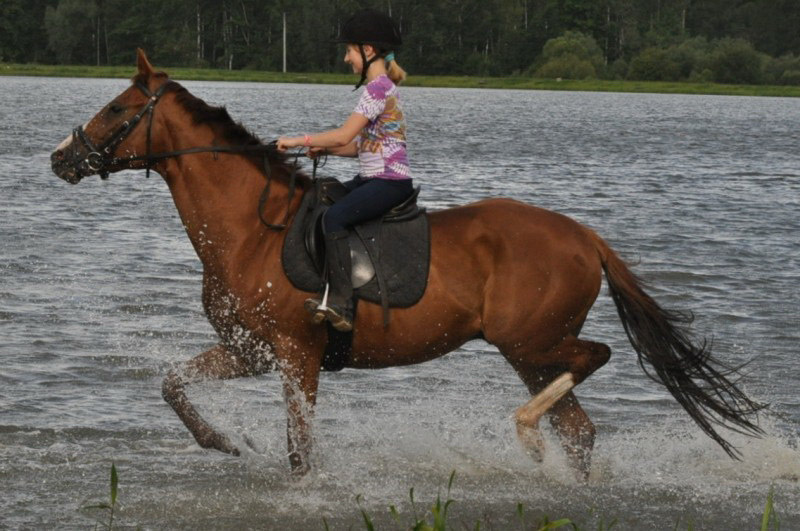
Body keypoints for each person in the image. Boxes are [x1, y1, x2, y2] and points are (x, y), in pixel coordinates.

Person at [277, 9, 413, 333]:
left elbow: (343, 135)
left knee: (335, 218)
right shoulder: (381, 88)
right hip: (373, 178)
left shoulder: (377, 89)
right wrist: (324, 149)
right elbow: (356, 147)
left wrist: (299, 140)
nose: (345, 58)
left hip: (389, 183)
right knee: (323, 195)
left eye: (349, 50)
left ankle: (342, 303)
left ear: (367, 51)